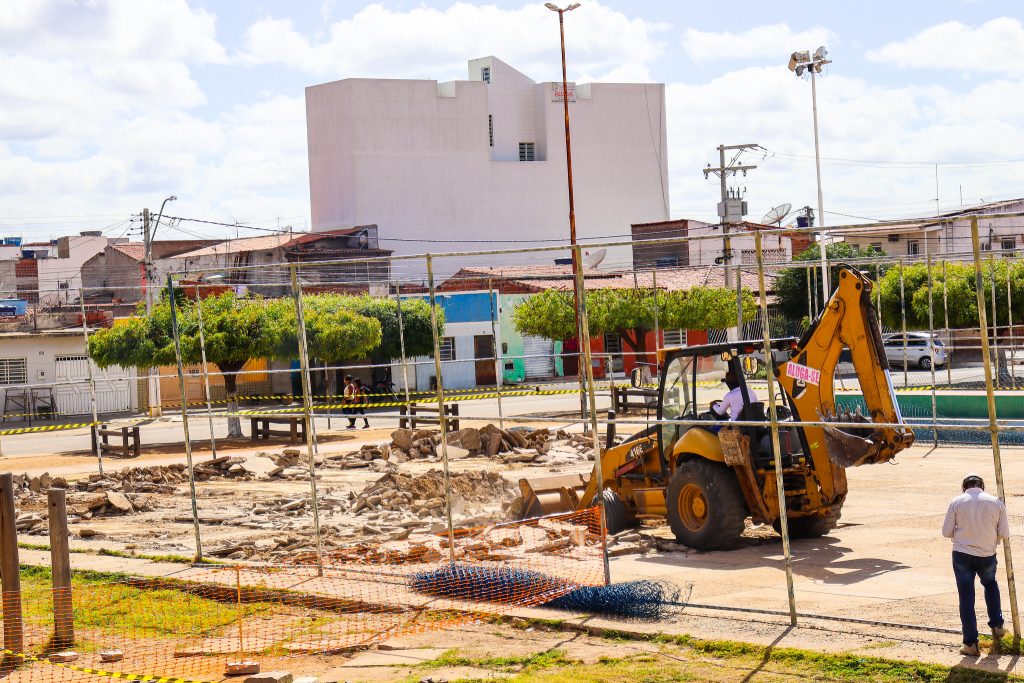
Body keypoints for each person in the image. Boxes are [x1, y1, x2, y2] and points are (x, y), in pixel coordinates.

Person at [942, 473, 1010, 656]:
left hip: (962, 555)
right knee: (990, 585)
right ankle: (997, 627)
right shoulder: (996, 502)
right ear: (982, 486)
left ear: (964, 487)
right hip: (987, 554)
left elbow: (946, 532)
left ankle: (971, 644)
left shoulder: (956, 502)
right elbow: (1004, 533)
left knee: (966, 598)